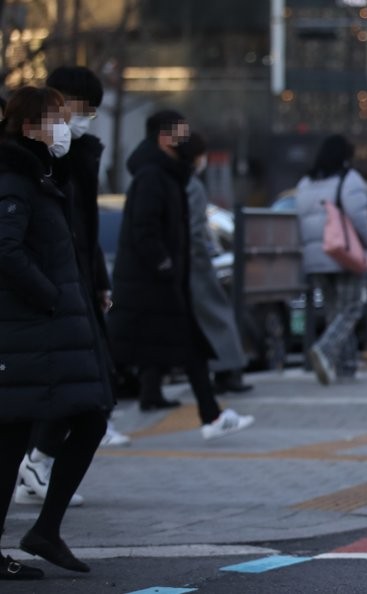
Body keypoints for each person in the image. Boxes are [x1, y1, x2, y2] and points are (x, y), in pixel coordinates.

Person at [0, 85, 112, 579]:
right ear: (29, 127)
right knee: (13, 438)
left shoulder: (40, 173)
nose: (65, 127)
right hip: (32, 330)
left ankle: (46, 529)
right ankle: (42, 530)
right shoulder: (14, 177)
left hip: (52, 330)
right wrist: (49, 296)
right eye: (57, 118)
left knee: (89, 416)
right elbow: (5, 250)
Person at [15, 66, 127, 512]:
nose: (82, 121)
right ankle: (36, 466)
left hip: (72, 281)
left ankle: (37, 468)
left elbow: (83, 226)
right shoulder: (32, 159)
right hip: (52, 288)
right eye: (81, 110)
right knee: (81, 393)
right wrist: (53, 289)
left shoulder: (76, 155)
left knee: (91, 392)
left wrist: (97, 280)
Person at [107, 110, 254, 440]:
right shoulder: (152, 177)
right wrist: (164, 264)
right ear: (164, 137)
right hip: (148, 285)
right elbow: (145, 231)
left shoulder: (168, 175)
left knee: (190, 348)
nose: (188, 140)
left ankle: (213, 417)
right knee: (117, 353)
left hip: (163, 283)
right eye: (181, 133)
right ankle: (93, 421)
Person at [294, 135, 367, 385]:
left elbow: (300, 218)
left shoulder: (305, 183)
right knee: (351, 308)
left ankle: (346, 367)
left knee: (334, 311)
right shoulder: (349, 179)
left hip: (316, 255)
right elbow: (359, 217)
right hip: (344, 253)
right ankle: (324, 350)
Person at [179, 133, 253, 394]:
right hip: (195, 263)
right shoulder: (193, 186)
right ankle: (227, 372)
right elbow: (195, 230)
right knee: (218, 317)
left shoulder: (175, 182)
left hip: (181, 263)